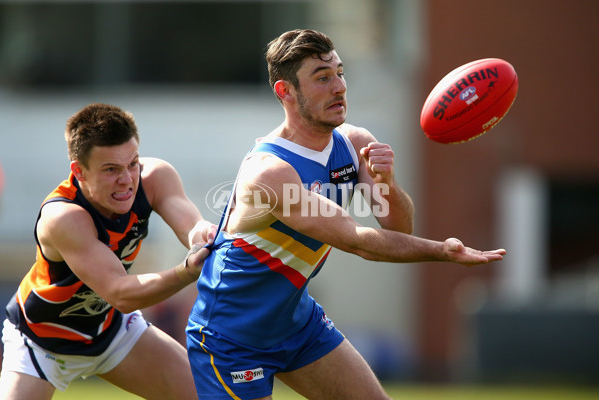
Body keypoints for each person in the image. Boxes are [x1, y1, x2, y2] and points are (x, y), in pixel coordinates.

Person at [185, 29, 506, 400]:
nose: (339, 87)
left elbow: (398, 226)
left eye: (340, 72)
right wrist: (442, 251)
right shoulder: (269, 172)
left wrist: (386, 182)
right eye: (322, 78)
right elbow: (358, 241)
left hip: (296, 323)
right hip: (232, 335)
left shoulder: (355, 143)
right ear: (285, 92)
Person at [0, 103, 214, 400]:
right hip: (41, 341)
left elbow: (191, 225)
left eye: (132, 163)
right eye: (111, 169)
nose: (127, 180)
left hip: (110, 329)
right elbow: (120, 293)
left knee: (209, 395)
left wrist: (203, 236)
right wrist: (186, 272)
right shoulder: (64, 217)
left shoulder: (154, 177)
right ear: (79, 171)